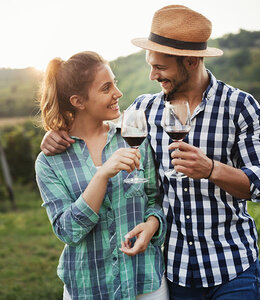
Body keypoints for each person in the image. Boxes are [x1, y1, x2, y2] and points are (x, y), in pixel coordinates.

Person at [40, 5, 260, 300]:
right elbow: (94, 126)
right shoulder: (144, 110)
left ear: (191, 62)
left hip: (232, 267)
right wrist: (57, 132)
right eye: (150, 64)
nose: (152, 75)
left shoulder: (239, 106)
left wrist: (211, 169)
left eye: (160, 67)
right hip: (176, 272)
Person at [35, 51, 168, 300]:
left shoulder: (132, 136)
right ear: (78, 101)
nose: (117, 93)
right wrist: (101, 175)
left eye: (115, 83)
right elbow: (68, 231)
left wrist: (153, 225)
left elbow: (155, 199)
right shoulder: (50, 162)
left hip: (145, 281)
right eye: (106, 88)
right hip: (89, 287)